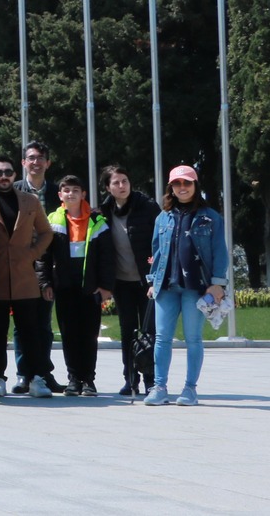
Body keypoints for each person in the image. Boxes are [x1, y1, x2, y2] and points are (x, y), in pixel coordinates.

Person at [145, 165, 229, 407]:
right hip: (166, 287)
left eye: (187, 183)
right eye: (177, 184)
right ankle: (159, 387)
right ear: (170, 187)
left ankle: (190, 389)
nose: (182, 188)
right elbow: (156, 252)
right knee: (162, 338)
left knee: (193, 338)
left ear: (195, 186)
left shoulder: (210, 216)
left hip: (197, 287)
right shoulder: (162, 217)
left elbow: (219, 252)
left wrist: (217, 283)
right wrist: (152, 281)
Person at [0, 153, 55, 398]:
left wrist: (32, 254)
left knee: (30, 330)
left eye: (7, 172)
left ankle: (36, 378)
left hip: (25, 276)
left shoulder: (30, 201)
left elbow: (46, 233)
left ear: (14, 175)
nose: (3, 177)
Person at [40, 175, 112, 397]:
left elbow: (107, 257)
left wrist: (106, 286)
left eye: (75, 190)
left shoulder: (98, 222)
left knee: (89, 335)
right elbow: (44, 256)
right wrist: (45, 282)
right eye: (66, 190)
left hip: (90, 288)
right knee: (69, 334)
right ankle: (73, 379)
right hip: (64, 287)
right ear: (60, 195)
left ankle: (88, 379)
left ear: (83, 194)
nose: (70, 194)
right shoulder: (53, 219)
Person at [101, 163, 159, 397]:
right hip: (121, 282)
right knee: (127, 331)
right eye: (116, 182)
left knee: (149, 332)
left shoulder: (147, 206)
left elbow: (160, 240)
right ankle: (130, 379)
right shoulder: (103, 213)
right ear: (107, 187)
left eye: (125, 181)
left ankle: (151, 379)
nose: (121, 186)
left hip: (147, 282)